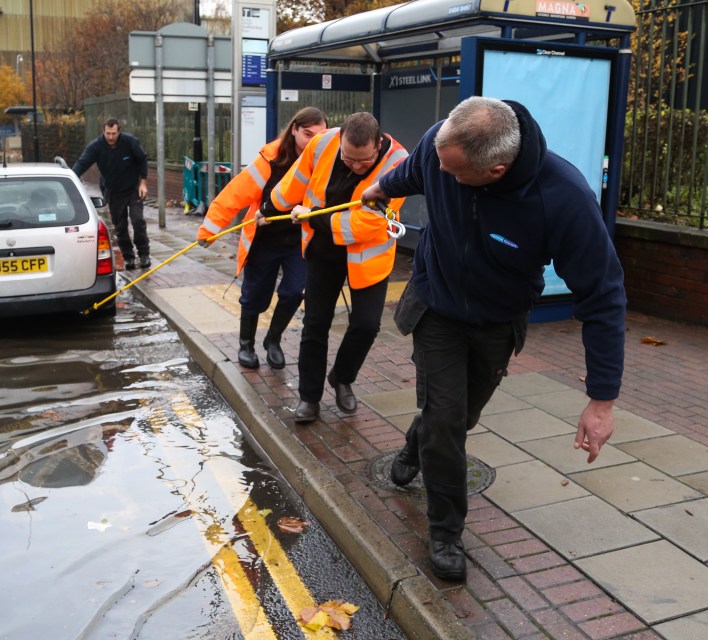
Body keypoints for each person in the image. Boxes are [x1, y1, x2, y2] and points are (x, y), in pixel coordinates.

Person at [361, 96, 626, 582]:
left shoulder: (562, 197)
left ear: (496, 169)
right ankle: (445, 532)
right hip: (436, 307)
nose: (443, 175)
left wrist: (602, 400)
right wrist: (378, 187)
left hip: (496, 323)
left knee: (458, 421)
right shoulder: (444, 146)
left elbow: (604, 296)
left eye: (454, 173)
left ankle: (415, 444)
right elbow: (415, 171)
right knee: (446, 419)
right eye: (440, 162)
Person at [263, 112, 407, 423]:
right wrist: (270, 207)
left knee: (367, 326)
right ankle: (309, 398)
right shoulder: (323, 142)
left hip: (367, 255)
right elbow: (296, 180)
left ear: (378, 145)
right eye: (348, 158)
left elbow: (366, 225)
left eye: (363, 162)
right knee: (315, 324)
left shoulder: (398, 163)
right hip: (323, 250)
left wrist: (311, 214)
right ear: (340, 142)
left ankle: (342, 376)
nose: (355, 166)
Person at [197, 107, 328, 370]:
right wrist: (209, 230)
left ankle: (273, 340)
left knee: (294, 292)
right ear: (293, 130)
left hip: (299, 241)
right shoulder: (270, 160)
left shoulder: (322, 162)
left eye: (319, 136)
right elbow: (234, 194)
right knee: (255, 294)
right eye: (307, 134)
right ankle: (246, 344)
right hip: (264, 240)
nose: (312, 141)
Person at [73, 118, 150, 269]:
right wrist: (71, 178)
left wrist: (143, 182)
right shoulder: (96, 146)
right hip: (113, 191)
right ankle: (128, 257)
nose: (110, 137)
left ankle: (144, 254)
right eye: (108, 133)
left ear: (119, 131)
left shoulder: (130, 142)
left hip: (133, 188)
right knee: (120, 226)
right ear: (103, 131)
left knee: (137, 221)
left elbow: (142, 160)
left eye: (113, 133)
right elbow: (82, 163)